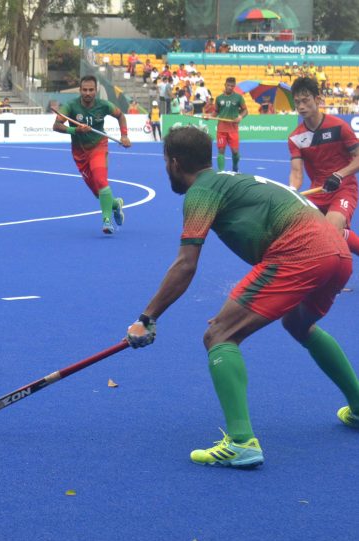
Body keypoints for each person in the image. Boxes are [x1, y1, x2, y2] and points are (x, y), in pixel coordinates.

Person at [126, 125, 359, 468]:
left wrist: (146, 318)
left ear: (174, 163)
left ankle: (241, 442)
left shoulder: (201, 192)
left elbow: (185, 265)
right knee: (298, 324)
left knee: (219, 334)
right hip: (338, 254)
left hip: (301, 252)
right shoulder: (234, 180)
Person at [288, 76, 359, 256]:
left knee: (330, 231)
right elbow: (297, 173)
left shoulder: (339, 126)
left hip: (344, 189)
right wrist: (291, 190)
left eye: (305, 101)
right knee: (300, 236)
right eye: (297, 102)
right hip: (318, 192)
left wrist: (339, 175)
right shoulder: (295, 137)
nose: (301, 106)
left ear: (317, 100)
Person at [52, 75, 130, 234]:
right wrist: (75, 130)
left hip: (98, 146)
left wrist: (124, 135)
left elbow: (120, 115)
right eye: (85, 90)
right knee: (97, 193)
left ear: (96, 91)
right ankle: (115, 204)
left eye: (91, 90)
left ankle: (106, 221)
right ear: (80, 90)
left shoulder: (104, 105)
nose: (88, 93)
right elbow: (56, 125)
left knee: (101, 181)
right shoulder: (70, 106)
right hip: (79, 153)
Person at [207, 77, 247, 172]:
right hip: (221, 129)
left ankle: (235, 166)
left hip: (233, 129)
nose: (230, 87)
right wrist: (209, 116)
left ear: (234, 87)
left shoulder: (238, 98)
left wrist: (240, 117)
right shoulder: (219, 98)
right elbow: (216, 112)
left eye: (232, 86)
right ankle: (221, 171)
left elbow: (245, 110)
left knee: (235, 152)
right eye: (228, 85)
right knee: (221, 151)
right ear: (225, 85)